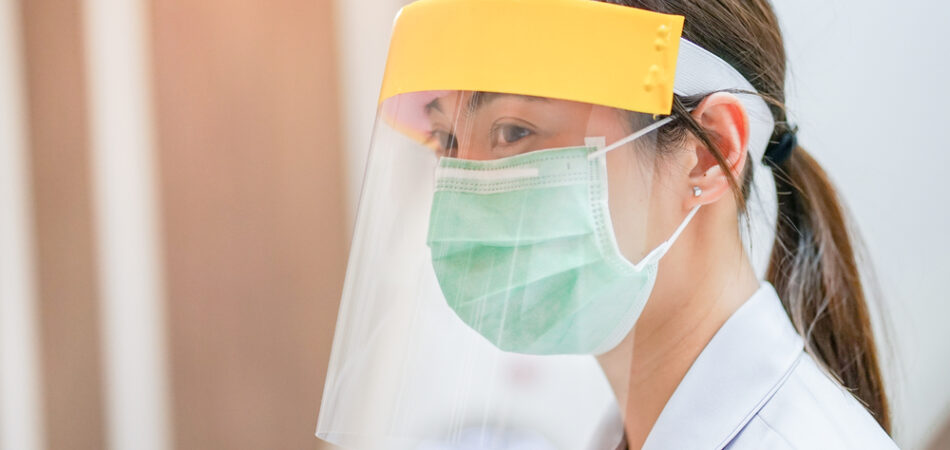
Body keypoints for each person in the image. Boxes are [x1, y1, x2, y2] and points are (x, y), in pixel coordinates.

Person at [316, 0, 898, 448]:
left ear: (709, 151)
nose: (468, 189)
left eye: (515, 131)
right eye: (447, 139)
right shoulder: (627, 427)